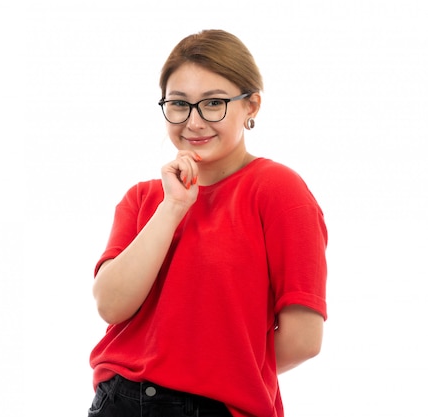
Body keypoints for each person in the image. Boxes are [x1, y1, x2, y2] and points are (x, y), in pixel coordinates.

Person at [87, 29, 327, 417]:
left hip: (215, 409)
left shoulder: (278, 190)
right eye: (179, 104)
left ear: (251, 106)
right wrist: (174, 207)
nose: (194, 122)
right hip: (121, 400)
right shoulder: (144, 198)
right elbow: (111, 305)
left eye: (214, 103)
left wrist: (215, 379)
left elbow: (303, 339)